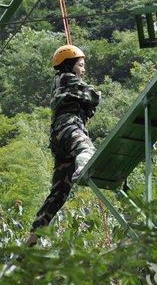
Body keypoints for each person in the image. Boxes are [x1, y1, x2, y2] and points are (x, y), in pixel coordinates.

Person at [26, 45, 101, 246]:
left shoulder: (60, 83)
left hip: (58, 138)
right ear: (70, 65)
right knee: (85, 149)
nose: (83, 70)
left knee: (60, 191)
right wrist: (89, 101)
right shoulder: (67, 78)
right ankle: (83, 165)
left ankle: (35, 232)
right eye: (81, 65)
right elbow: (95, 96)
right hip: (69, 128)